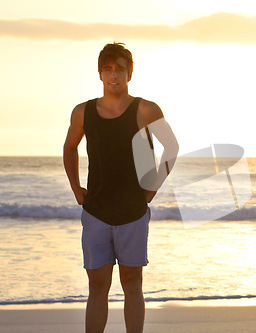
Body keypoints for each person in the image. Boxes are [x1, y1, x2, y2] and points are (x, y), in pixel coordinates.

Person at [63, 42, 178, 333]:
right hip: (96, 212)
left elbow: (172, 147)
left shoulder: (146, 109)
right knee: (97, 286)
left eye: (120, 70)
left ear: (129, 74)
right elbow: (69, 147)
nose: (114, 75)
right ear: (100, 73)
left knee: (132, 284)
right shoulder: (83, 112)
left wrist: (151, 189)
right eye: (108, 70)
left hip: (133, 213)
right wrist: (76, 188)